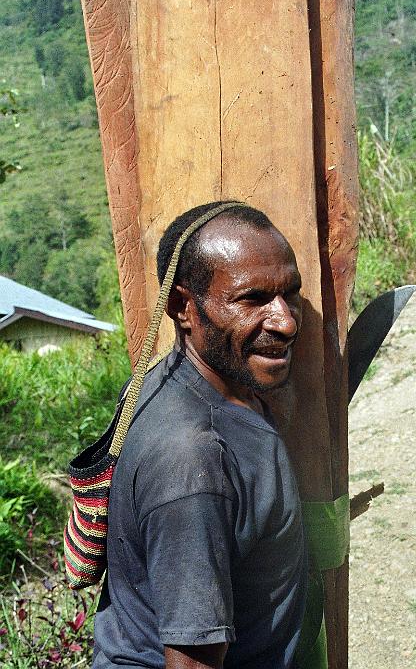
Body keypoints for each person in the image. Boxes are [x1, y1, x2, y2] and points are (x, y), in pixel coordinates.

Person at [92, 201, 308, 669]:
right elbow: (193, 658)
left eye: (290, 293)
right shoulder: (192, 462)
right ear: (183, 308)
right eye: (252, 300)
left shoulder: (184, 381)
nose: (286, 321)